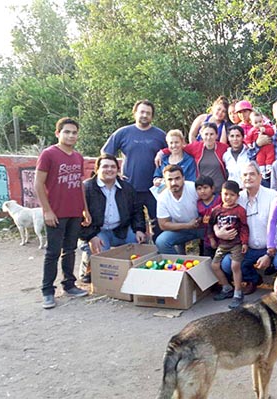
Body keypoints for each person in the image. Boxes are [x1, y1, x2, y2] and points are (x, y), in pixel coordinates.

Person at [35, 117, 91, 309]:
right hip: (56, 213)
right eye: (66, 132)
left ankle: (69, 284)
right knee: (52, 252)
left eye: (74, 132)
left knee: (70, 250)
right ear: (58, 133)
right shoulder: (48, 154)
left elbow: (79, 185)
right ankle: (47, 291)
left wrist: (85, 209)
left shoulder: (78, 156)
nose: (71, 135)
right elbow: (38, 183)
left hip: (75, 212)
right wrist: (47, 211)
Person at [102, 100, 166, 239]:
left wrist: (163, 155)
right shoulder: (123, 133)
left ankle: (161, 254)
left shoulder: (160, 135)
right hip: (130, 187)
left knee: (159, 226)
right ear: (135, 113)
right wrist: (116, 174)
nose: (144, 115)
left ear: (152, 116)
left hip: (155, 189)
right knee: (134, 228)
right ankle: (137, 256)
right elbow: (106, 153)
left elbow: (174, 152)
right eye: (142, 112)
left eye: (148, 113)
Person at [79, 154, 146, 283]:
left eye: (113, 166)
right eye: (105, 166)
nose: (109, 170)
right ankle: (87, 267)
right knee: (100, 265)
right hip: (97, 231)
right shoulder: (86, 188)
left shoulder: (127, 188)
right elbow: (78, 218)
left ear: (118, 169)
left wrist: (139, 229)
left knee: (139, 246)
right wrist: (91, 236)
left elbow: (137, 211)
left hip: (121, 229)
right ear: (97, 169)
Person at [218, 162, 277, 295]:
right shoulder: (237, 198)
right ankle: (253, 279)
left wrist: (269, 254)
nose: (248, 177)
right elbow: (218, 214)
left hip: (272, 247)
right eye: (245, 175)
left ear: (260, 176)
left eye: (252, 174)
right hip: (247, 248)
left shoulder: (272, 196)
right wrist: (218, 231)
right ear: (241, 178)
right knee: (227, 264)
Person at [206, 180, 250, 309]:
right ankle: (226, 287)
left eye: (232, 195)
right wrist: (212, 239)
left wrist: (245, 242)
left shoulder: (239, 211)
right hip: (222, 244)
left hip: (236, 243)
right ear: (221, 194)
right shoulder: (216, 210)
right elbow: (210, 225)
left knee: (235, 265)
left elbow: (244, 227)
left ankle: (238, 293)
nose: (228, 197)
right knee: (214, 265)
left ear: (237, 196)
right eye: (225, 194)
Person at [161, 122, 229, 191]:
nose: (208, 137)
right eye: (206, 134)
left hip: (220, 189)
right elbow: (178, 147)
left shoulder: (223, 148)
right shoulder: (196, 147)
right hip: (202, 190)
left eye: (211, 134)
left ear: (217, 135)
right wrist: (162, 152)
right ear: (201, 135)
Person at [154, 165, 202, 254]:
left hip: (201, 226)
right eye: (170, 179)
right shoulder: (162, 197)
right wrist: (187, 225)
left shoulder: (193, 188)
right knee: (161, 242)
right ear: (164, 181)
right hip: (180, 229)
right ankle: (177, 264)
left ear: (183, 178)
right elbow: (163, 224)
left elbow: (209, 204)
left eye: (177, 178)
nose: (173, 183)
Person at [196, 175, 222, 257]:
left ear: (212, 188)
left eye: (205, 187)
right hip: (207, 238)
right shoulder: (198, 204)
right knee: (208, 258)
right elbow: (201, 217)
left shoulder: (219, 200)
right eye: (199, 189)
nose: (202, 191)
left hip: (221, 236)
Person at [246, 111, 275, 182]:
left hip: (268, 147)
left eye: (260, 121)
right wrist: (249, 144)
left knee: (270, 156)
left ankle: (269, 167)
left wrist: (265, 130)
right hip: (260, 149)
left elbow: (272, 132)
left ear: (263, 120)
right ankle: (262, 171)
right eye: (256, 123)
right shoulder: (252, 131)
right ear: (251, 123)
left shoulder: (266, 127)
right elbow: (247, 138)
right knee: (260, 159)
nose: (259, 124)